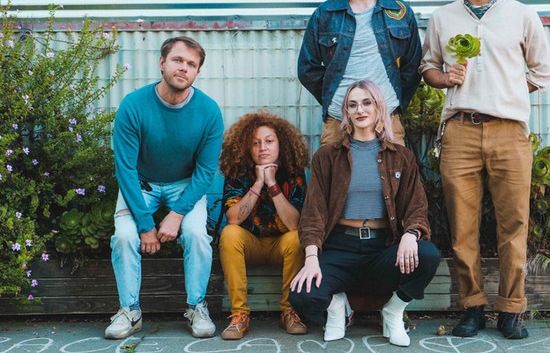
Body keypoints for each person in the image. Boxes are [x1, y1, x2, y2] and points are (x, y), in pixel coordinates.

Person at [420, 0, 550, 339]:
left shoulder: (522, 15)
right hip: (460, 131)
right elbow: (427, 67)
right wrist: (445, 78)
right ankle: (472, 307)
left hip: (509, 133)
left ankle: (512, 309)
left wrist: (506, 92)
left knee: (513, 225)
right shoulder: (442, 18)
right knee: (463, 229)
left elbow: (542, 73)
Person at [289, 80, 440, 347]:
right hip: (340, 247)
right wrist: (311, 257)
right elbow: (313, 213)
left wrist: (411, 234)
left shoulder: (400, 156)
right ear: (346, 112)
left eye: (367, 102)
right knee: (302, 294)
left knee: (427, 255)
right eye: (353, 104)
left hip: (381, 248)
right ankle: (338, 306)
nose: (360, 109)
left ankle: (393, 311)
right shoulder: (326, 157)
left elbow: (417, 206)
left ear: (379, 107)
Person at [105, 37, 224, 339]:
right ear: (162, 63)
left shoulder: (209, 111)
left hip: (185, 186)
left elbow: (206, 170)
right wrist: (147, 225)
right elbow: (125, 169)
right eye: (177, 60)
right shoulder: (134, 105)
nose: (183, 67)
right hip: (141, 183)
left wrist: (177, 214)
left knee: (198, 235)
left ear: (197, 72)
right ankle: (130, 311)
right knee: (124, 236)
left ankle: (196, 307)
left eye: (191, 64)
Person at [298, 0, 422, 146]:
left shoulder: (400, 12)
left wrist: (392, 104)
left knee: (392, 181)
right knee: (336, 181)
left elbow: (412, 68)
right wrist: (335, 99)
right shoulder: (324, 14)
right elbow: (307, 69)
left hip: (387, 121)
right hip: (339, 121)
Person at [217, 112, 310, 340]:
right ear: (247, 147)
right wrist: (259, 183)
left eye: (269, 141)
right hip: (251, 246)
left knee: (298, 237)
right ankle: (239, 314)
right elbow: (233, 219)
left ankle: (289, 310)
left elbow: (294, 223)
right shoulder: (238, 171)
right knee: (229, 233)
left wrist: (272, 183)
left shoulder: (293, 172)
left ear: (281, 144)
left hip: (282, 246)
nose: (262, 148)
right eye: (255, 143)